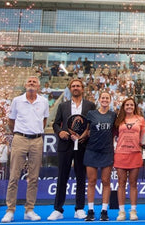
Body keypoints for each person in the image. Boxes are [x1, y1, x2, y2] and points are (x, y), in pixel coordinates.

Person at [1, 76, 49, 223]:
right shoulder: (17, 101)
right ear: (25, 84)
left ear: (39, 86)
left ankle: (29, 209)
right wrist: (19, 133)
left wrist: (36, 131)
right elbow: (11, 121)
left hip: (37, 140)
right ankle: (10, 210)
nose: (32, 84)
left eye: (34, 82)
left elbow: (44, 120)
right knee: (14, 176)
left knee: (33, 178)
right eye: (29, 82)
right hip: (19, 139)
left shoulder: (44, 101)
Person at [48, 79, 95, 221]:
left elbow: (93, 124)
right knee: (62, 177)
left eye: (78, 86)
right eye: (73, 86)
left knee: (81, 177)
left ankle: (79, 208)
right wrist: (60, 132)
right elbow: (56, 124)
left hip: (83, 146)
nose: (76, 88)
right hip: (65, 145)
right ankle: (58, 209)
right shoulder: (63, 106)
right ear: (70, 88)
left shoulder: (90, 105)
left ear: (82, 89)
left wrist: (87, 133)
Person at [83, 92, 117, 221]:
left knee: (106, 181)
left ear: (110, 100)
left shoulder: (113, 115)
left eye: (107, 98)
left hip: (107, 151)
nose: (104, 100)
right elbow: (86, 131)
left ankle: (104, 211)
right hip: (91, 150)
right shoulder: (91, 114)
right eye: (102, 98)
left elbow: (117, 131)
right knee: (91, 181)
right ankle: (90, 211)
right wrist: (78, 137)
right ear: (99, 100)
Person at [114, 98, 145, 221]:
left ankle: (133, 210)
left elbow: (143, 137)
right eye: (127, 105)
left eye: (131, 105)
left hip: (135, 154)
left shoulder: (140, 119)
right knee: (121, 184)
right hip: (121, 154)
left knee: (133, 184)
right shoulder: (118, 120)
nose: (129, 106)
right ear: (123, 106)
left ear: (134, 106)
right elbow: (114, 136)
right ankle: (121, 211)